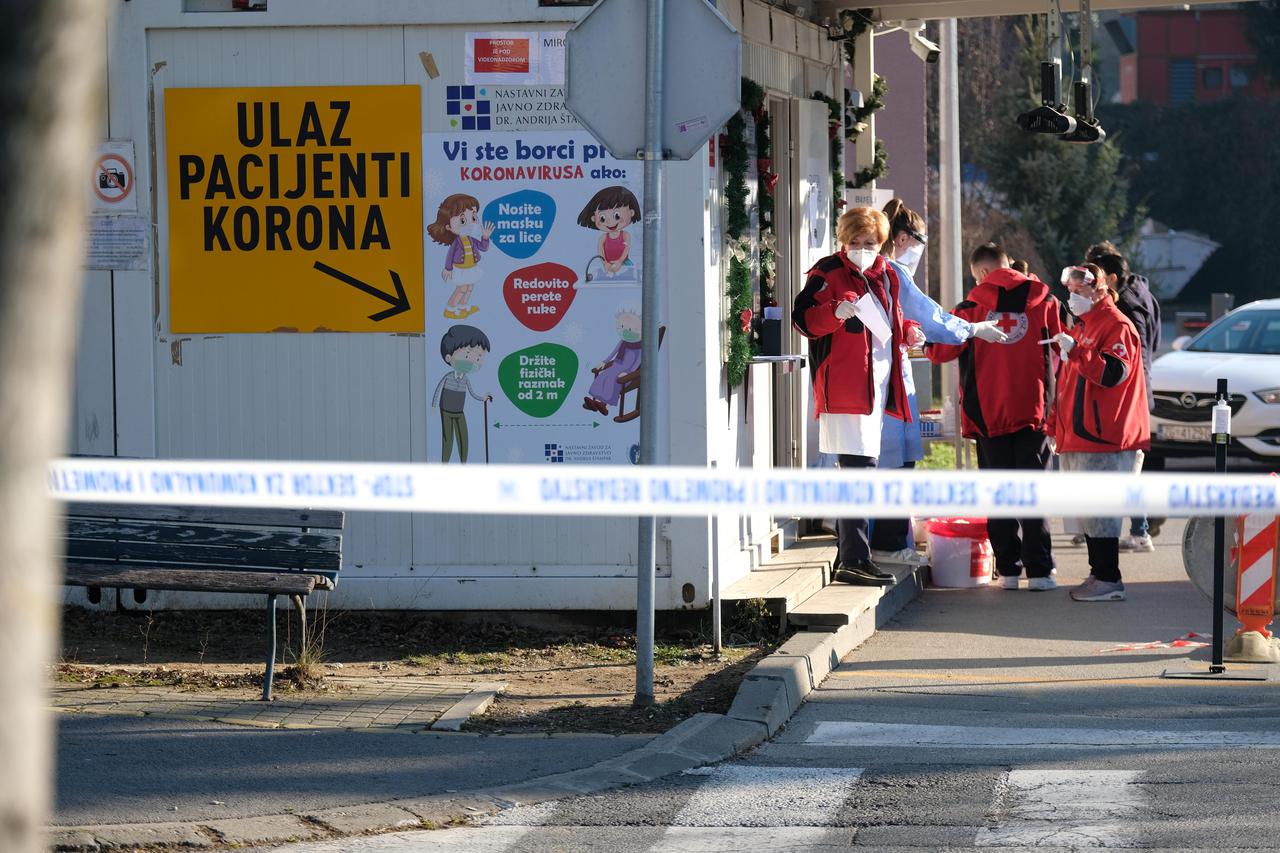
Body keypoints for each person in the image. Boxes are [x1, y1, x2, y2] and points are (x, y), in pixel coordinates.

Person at [793, 207, 1009, 586]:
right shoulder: (826, 271)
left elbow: (913, 315)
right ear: (844, 240)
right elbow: (803, 319)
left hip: (880, 388)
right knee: (857, 472)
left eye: (871, 243)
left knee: (867, 471)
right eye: (856, 243)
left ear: (883, 244)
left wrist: (910, 332)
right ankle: (854, 558)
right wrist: (833, 312)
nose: (863, 249)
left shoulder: (888, 274)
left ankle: (858, 555)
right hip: (844, 389)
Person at [926, 243, 1065, 591]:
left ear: (984, 273)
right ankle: (1041, 572)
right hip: (1034, 411)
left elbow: (941, 351)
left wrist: (923, 336)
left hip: (987, 415)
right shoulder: (1047, 303)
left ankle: (1008, 571)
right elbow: (1066, 350)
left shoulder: (969, 309)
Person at [1050, 263, 1149, 602]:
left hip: (1106, 436)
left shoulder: (1116, 325)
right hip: (1082, 435)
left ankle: (1109, 578)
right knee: (1090, 511)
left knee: (1102, 511)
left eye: (1078, 291)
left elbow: (1112, 375)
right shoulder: (1085, 325)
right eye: (1070, 291)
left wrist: (1076, 351)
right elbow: (1069, 384)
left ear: (1099, 288)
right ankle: (1099, 573)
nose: (1072, 297)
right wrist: (1055, 422)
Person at [1085, 241, 1161, 550]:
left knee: (1126, 469)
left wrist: (1130, 390)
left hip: (1129, 395)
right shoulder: (1143, 294)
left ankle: (1139, 530)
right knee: (1131, 468)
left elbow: (1135, 352)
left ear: (1112, 277)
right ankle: (1139, 527)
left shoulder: (1126, 307)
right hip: (1140, 390)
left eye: (1097, 277)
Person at [868, 199, 930, 568]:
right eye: (920, 243)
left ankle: (891, 541)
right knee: (895, 466)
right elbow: (931, 316)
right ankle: (890, 544)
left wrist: (910, 333)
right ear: (904, 238)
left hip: (891, 383)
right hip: (888, 388)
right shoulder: (893, 274)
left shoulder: (887, 273)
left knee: (895, 464)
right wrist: (970, 330)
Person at [431, 325, 494, 463]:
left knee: (463, 437)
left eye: (478, 358)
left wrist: (483, 398)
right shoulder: (448, 376)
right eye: (467, 355)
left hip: (459, 411)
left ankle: (463, 463)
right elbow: (437, 390)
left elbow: (472, 393)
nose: (473, 361)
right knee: (448, 438)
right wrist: (433, 406)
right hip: (446, 411)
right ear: (449, 357)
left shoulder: (466, 379)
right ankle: (445, 463)